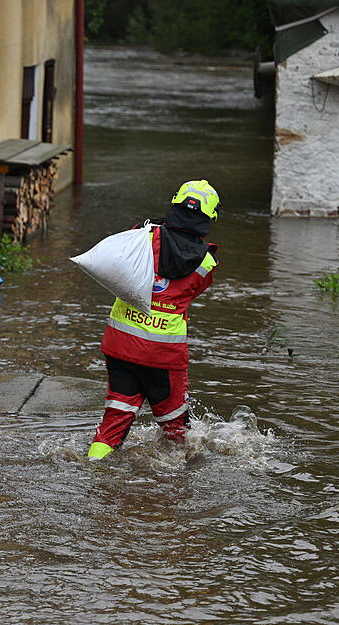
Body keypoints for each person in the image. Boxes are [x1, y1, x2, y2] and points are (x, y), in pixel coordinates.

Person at [87, 180, 219, 460]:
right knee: (176, 429)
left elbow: (118, 262)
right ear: (209, 218)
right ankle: (175, 487)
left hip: (121, 344)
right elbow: (192, 290)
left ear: (175, 205)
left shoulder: (141, 236)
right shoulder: (207, 264)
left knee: (115, 418)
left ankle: (92, 467)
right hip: (164, 355)